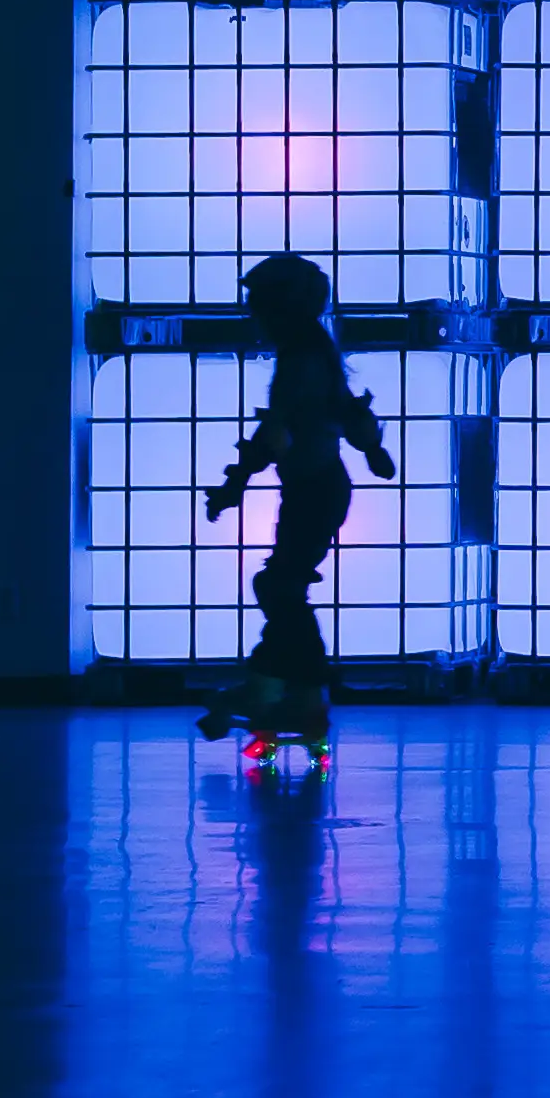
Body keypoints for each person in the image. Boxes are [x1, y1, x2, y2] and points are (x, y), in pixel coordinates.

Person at [196, 252, 394, 761]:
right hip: (320, 487)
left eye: (257, 303)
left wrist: (233, 485)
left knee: (279, 586)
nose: (251, 313)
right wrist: (374, 451)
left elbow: (275, 432)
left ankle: (281, 689)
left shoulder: (298, 359)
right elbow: (347, 412)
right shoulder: (317, 351)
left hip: (313, 490)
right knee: (283, 586)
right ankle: (293, 692)